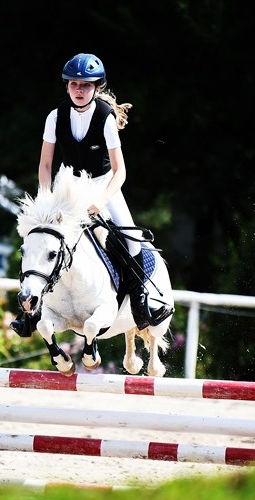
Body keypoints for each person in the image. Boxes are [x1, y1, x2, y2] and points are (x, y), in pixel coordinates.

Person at [11, 52, 173, 337]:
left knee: (130, 241)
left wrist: (102, 200)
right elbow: (45, 165)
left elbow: (120, 171)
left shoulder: (105, 118)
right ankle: (30, 312)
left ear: (97, 88)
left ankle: (140, 304)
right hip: (68, 189)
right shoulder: (55, 116)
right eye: (74, 84)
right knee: (40, 241)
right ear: (67, 86)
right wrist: (45, 199)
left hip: (103, 187)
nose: (79, 90)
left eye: (85, 85)